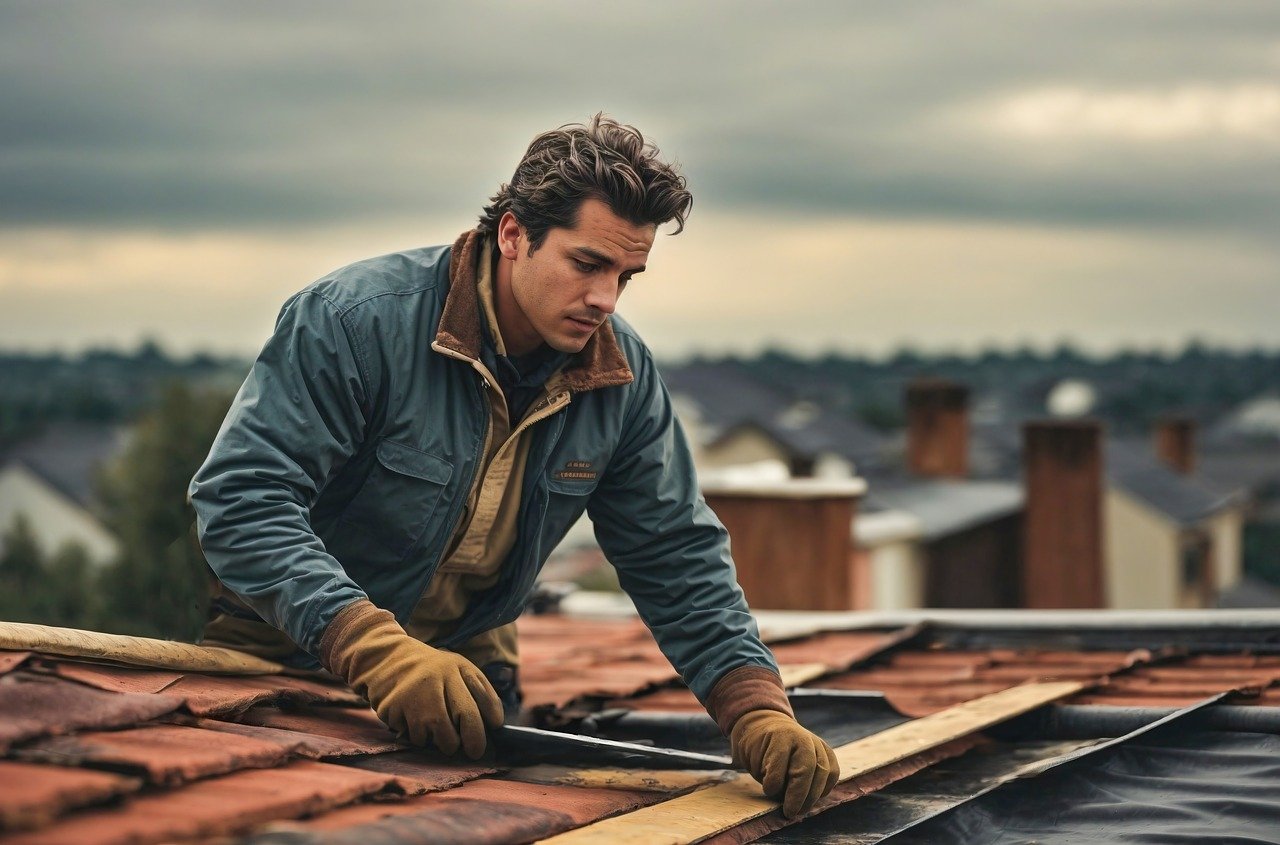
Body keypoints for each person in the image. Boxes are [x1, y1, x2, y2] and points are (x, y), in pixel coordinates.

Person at [188, 114, 838, 817]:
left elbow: (674, 551)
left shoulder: (621, 377)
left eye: (626, 274)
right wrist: (374, 647)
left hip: (469, 684)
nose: (605, 299)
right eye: (587, 264)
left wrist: (754, 706)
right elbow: (242, 499)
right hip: (287, 664)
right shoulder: (354, 321)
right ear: (512, 235)